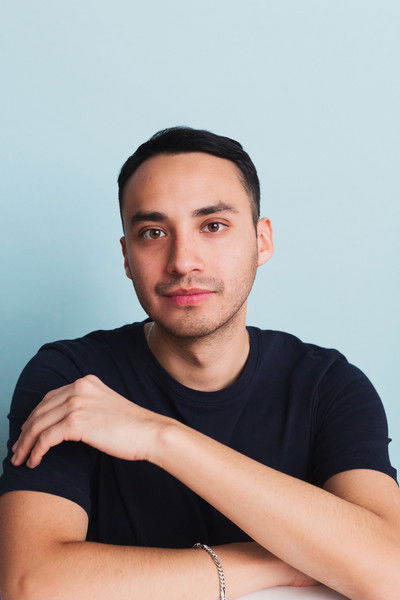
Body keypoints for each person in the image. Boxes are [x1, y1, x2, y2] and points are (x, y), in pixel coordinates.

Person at [0, 126, 399, 600]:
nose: (182, 261)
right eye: (153, 233)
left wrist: (160, 437)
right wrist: (278, 560)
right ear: (127, 257)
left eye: (213, 226)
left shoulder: (327, 385)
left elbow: (391, 570)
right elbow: (30, 584)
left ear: (261, 241)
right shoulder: (71, 378)